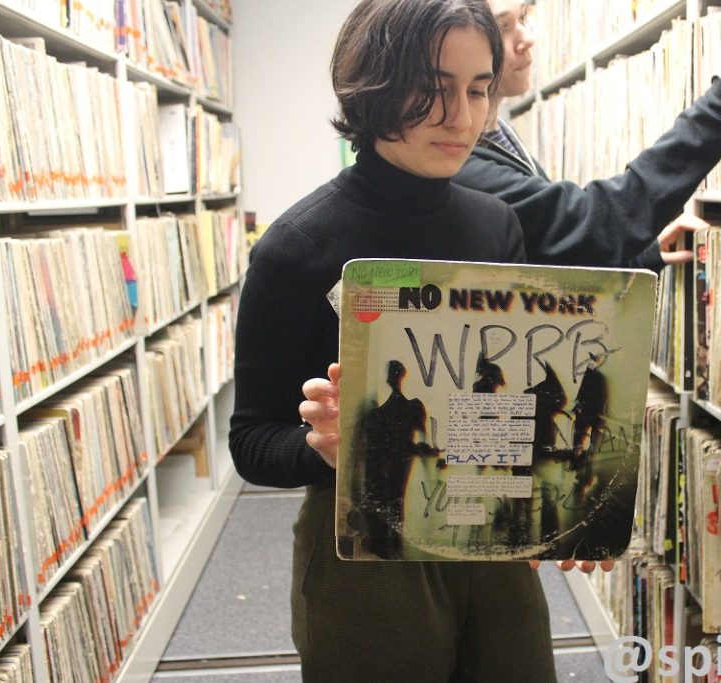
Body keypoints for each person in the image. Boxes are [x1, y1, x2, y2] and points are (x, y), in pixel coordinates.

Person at [229, 1, 561, 679]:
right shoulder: (296, 247)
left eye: (478, 90)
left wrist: (566, 499)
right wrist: (322, 444)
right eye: (434, 88)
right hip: (364, 551)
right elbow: (251, 439)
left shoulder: (498, 226)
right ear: (375, 84)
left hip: (486, 529)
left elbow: (508, 404)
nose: (462, 118)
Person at [453, 0, 721, 270]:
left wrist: (642, 256)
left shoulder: (497, 132)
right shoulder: (460, 161)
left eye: (523, 17)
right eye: (504, 27)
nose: (527, 38)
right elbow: (589, 222)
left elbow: (552, 250)